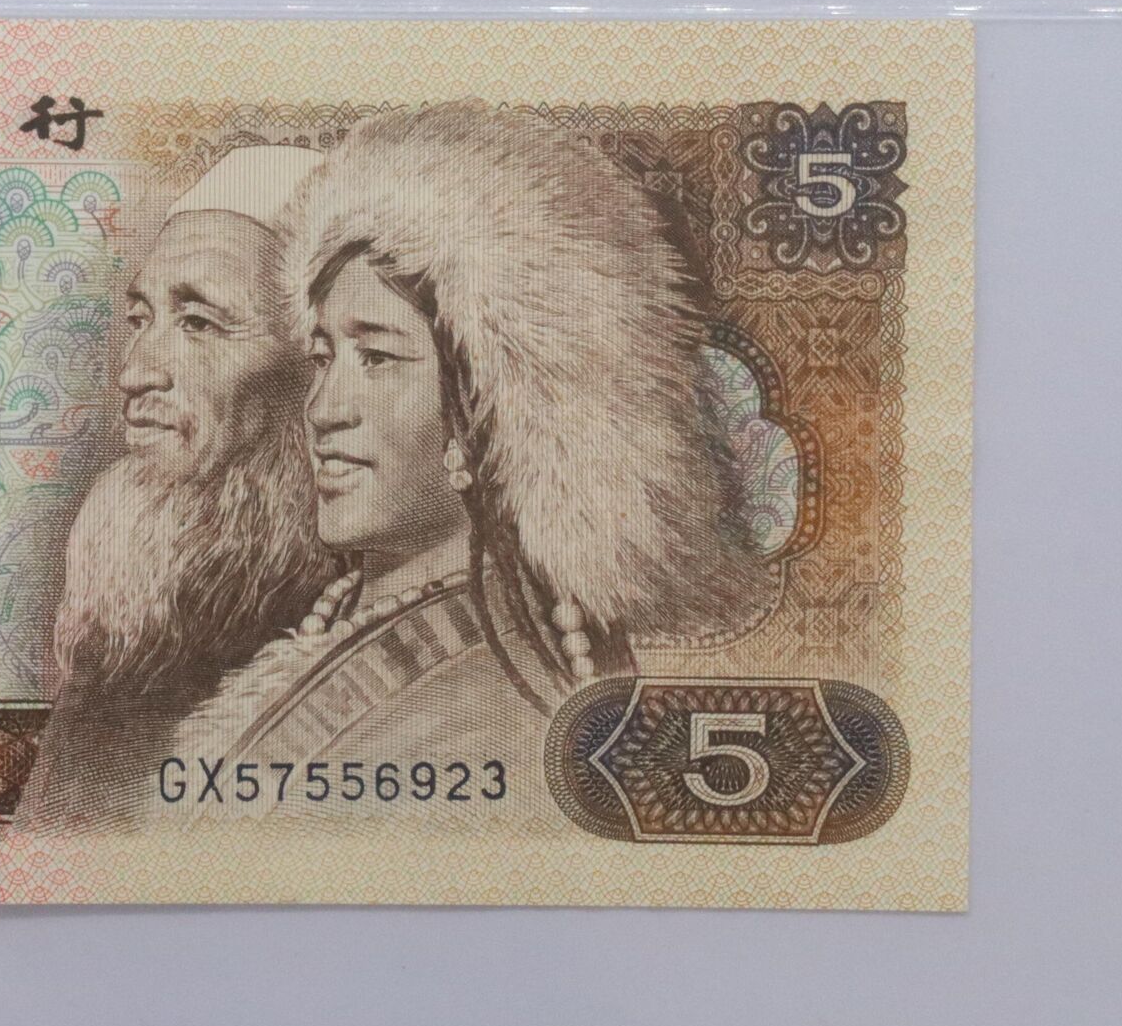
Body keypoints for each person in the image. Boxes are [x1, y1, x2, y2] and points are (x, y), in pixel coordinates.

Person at [170, 104, 764, 800]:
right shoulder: (354, 623)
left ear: (485, 411)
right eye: (324, 357)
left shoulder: (487, 711)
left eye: (378, 357)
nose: (324, 409)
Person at [19, 144, 334, 828]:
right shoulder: (127, 637)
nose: (135, 372)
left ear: (317, 368)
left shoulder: (359, 638)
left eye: (198, 322)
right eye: (142, 318)